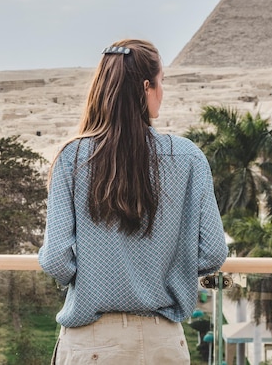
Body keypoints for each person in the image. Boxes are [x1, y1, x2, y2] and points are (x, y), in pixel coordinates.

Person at [38, 39, 228, 364]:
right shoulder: (187, 157)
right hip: (163, 342)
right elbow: (212, 253)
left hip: (92, 341)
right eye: (161, 81)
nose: (162, 91)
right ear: (146, 86)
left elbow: (56, 259)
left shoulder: (73, 157)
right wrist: (167, 269)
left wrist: (95, 277)